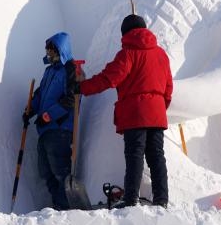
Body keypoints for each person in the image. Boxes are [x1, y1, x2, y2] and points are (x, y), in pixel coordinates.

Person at [76, 13, 173, 208]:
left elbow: (108, 78)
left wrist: (81, 88)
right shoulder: (161, 54)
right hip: (157, 113)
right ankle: (161, 200)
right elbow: (168, 87)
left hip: (135, 113)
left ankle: (131, 200)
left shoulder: (127, 53)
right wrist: (160, 107)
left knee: (135, 155)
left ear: (125, 33)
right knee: (156, 156)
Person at [23, 32, 77, 210]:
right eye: (47, 50)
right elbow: (40, 95)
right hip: (45, 130)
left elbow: (70, 100)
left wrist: (48, 116)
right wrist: (30, 110)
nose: (48, 53)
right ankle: (57, 207)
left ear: (60, 50)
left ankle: (66, 209)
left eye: (51, 50)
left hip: (60, 129)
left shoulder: (70, 69)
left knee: (60, 171)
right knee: (46, 172)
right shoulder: (48, 72)